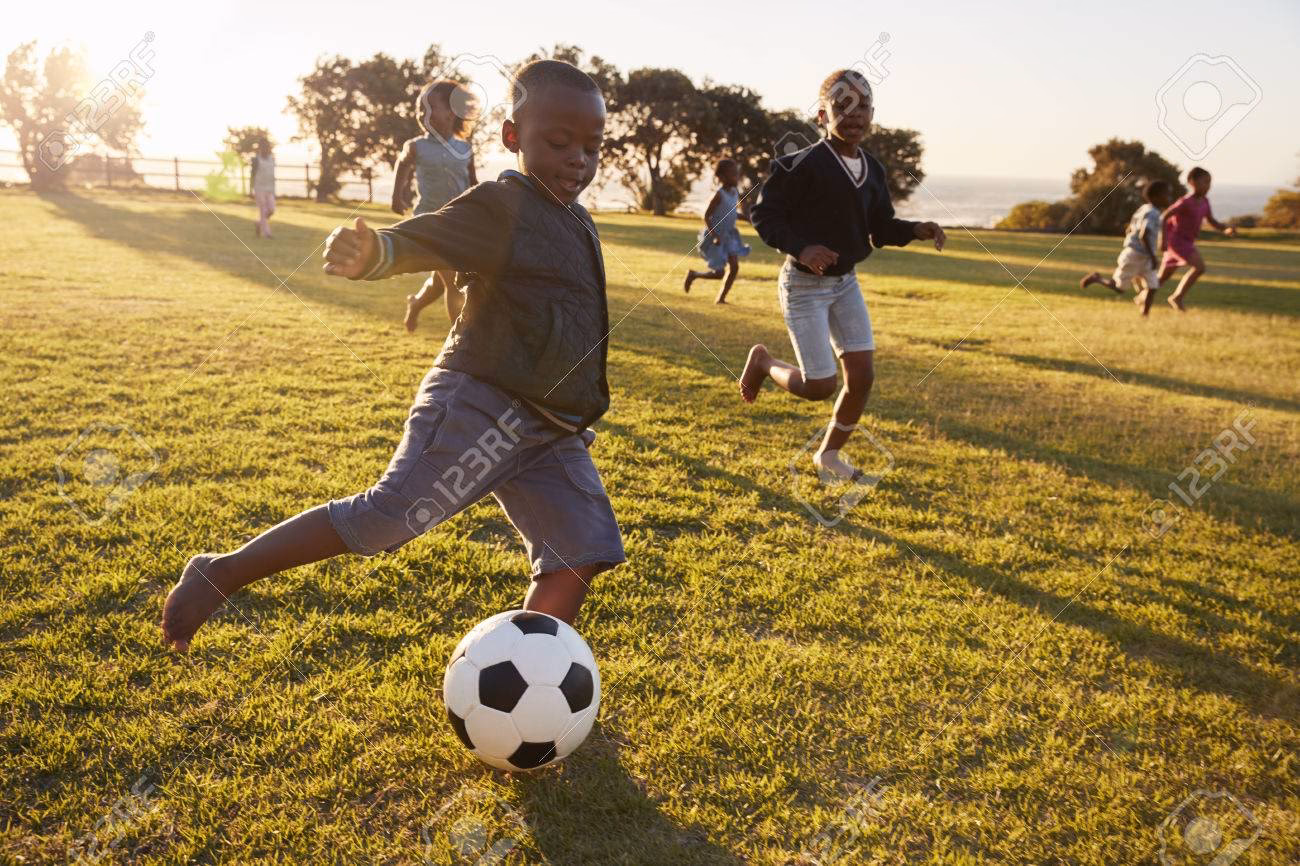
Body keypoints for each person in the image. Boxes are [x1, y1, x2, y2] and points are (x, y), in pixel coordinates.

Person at [161, 60, 621, 652]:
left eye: (592, 146)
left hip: (550, 429)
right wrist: (375, 251)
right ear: (513, 137)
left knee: (579, 552)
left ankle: (534, 666)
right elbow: (428, 235)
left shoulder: (578, 221)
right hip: (481, 402)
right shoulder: (501, 206)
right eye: (559, 143)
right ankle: (221, 572)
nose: (578, 159)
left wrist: (575, 409)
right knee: (389, 516)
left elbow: (573, 322)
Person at [741, 68, 945, 482]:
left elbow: (881, 227)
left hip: (845, 284)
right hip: (803, 286)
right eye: (842, 106)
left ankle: (829, 456)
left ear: (872, 113)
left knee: (862, 377)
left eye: (863, 106)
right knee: (820, 386)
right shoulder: (799, 164)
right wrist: (803, 248)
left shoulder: (873, 168)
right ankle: (763, 362)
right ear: (822, 115)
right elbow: (763, 214)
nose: (854, 115)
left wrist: (915, 230)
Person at [393, 79, 479, 331]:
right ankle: (460, 340)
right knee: (453, 281)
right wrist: (396, 196)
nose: (422, 114)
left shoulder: (465, 148)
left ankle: (416, 304)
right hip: (430, 224)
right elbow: (402, 166)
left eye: (430, 108)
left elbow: (473, 184)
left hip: (459, 223)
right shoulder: (416, 146)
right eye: (420, 109)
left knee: (441, 281)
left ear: (452, 113)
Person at [1081, 180, 1173, 316]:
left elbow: (1130, 227)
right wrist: (1153, 257)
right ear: (1156, 197)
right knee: (1120, 288)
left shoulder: (1144, 208)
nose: (1169, 198)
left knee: (1153, 286)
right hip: (1135, 256)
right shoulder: (1153, 213)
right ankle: (1097, 278)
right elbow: (1144, 235)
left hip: (1144, 256)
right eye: (1167, 195)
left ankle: (1145, 315)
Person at [1159, 166, 1235, 312]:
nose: (1207, 186)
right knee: (1200, 267)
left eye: (1209, 182)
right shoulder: (1185, 202)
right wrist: (1163, 240)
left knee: (1161, 279)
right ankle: (1177, 297)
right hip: (1177, 242)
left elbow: (1211, 220)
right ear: (1192, 182)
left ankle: (1143, 296)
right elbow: (1165, 217)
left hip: (1188, 241)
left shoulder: (1205, 202)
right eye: (1204, 182)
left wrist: (1225, 229)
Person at [683, 158, 750, 304]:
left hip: (730, 236)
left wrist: (747, 215)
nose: (736, 177)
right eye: (733, 174)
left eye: (737, 174)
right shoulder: (719, 195)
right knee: (719, 273)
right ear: (722, 177)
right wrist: (714, 235)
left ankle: (721, 299)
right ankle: (694, 274)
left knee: (734, 267)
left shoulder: (735, 192)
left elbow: (732, 213)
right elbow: (707, 216)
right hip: (716, 237)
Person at [250, 139, 275, 239]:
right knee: (263, 210)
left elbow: (272, 175)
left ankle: (258, 223)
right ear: (260, 148)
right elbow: (252, 175)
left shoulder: (271, 159)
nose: (266, 149)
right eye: (264, 147)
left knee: (271, 210)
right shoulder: (256, 160)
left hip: (270, 189)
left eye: (267, 147)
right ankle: (267, 233)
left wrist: (274, 189)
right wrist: (250, 189)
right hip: (259, 188)